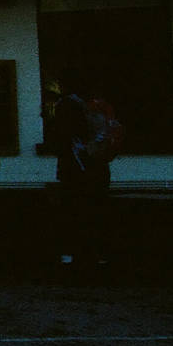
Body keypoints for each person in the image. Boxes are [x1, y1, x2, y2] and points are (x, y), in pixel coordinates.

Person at [49, 68, 112, 272]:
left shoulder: (66, 105)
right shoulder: (100, 106)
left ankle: (72, 254)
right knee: (96, 209)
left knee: (73, 209)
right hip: (98, 164)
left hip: (75, 166)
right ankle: (98, 254)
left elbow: (62, 136)